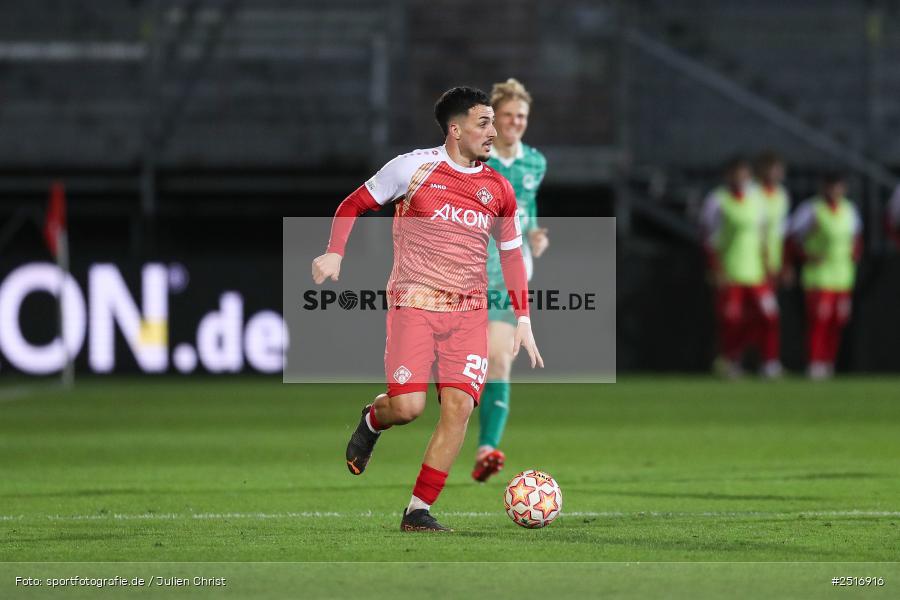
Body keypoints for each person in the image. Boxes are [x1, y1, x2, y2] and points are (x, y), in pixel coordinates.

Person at [311, 86, 544, 532]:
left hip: (470, 314)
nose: (493, 132)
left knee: (458, 408)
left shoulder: (498, 188)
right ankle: (372, 419)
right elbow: (353, 203)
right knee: (408, 408)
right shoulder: (412, 168)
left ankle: (417, 510)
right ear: (455, 130)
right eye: (483, 123)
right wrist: (335, 252)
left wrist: (523, 318)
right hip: (414, 305)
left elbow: (512, 253)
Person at [472, 79, 548, 483]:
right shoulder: (474, 161)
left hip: (507, 280)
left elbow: (528, 207)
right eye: (508, 115)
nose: (516, 122)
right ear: (493, 119)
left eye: (522, 116)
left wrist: (535, 234)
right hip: (465, 277)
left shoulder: (535, 162)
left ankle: (487, 448)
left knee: (499, 360)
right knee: (464, 372)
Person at [700, 157, 780, 378]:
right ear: (728, 176)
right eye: (736, 173)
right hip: (731, 272)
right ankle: (731, 361)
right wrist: (715, 269)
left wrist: (768, 266)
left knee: (769, 316)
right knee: (732, 320)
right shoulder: (717, 200)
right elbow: (709, 239)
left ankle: (770, 362)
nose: (740, 178)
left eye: (744, 174)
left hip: (757, 274)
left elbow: (763, 236)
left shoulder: (757, 199)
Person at [787, 172, 862, 379]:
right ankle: (815, 362)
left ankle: (828, 362)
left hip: (843, 276)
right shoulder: (811, 210)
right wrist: (807, 256)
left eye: (838, 187)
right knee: (819, 321)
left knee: (838, 322)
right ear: (823, 188)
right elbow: (792, 239)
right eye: (831, 187)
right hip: (819, 277)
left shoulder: (850, 210)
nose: (834, 191)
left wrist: (854, 255)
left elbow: (856, 239)